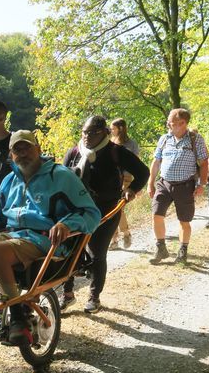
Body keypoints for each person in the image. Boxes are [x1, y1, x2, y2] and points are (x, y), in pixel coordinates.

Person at [0, 130, 101, 342]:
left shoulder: (60, 176)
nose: (22, 153)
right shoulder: (9, 180)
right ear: (11, 155)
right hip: (15, 236)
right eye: (17, 150)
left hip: (45, 240)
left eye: (27, 147)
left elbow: (92, 213)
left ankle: (18, 318)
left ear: (38, 149)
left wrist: (66, 223)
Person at [61, 116, 149, 313]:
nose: (87, 136)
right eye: (85, 132)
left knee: (97, 253)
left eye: (93, 132)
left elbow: (143, 172)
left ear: (105, 133)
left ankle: (94, 297)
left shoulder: (116, 152)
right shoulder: (74, 153)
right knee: (68, 251)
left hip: (106, 210)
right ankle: (67, 294)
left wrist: (132, 189)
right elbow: (61, 178)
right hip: (76, 211)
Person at [147, 108, 209, 265]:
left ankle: (183, 251)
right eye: (169, 122)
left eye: (172, 123)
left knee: (184, 221)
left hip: (185, 185)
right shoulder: (164, 139)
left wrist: (202, 184)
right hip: (164, 183)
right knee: (156, 214)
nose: (169, 125)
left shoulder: (195, 139)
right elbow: (156, 162)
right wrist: (150, 182)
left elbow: (203, 163)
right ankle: (161, 248)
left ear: (183, 123)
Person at [108, 117, 141, 250]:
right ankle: (115, 239)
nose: (111, 130)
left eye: (113, 128)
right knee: (112, 207)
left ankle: (124, 234)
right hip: (112, 178)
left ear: (120, 128)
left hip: (126, 177)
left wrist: (138, 185)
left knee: (118, 206)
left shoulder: (131, 144)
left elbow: (137, 163)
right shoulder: (111, 142)